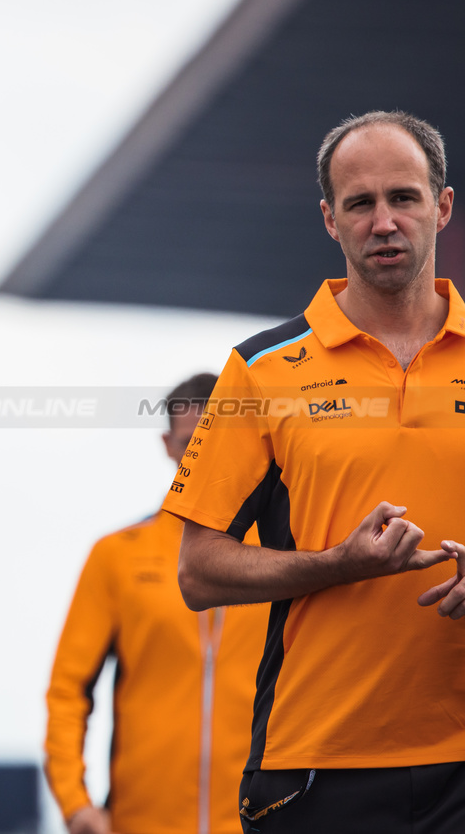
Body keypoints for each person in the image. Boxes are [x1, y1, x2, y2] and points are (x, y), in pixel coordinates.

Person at [164, 111, 465, 833]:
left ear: (443, 206)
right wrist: (339, 563)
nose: (384, 221)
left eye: (405, 197)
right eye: (360, 204)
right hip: (317, 768)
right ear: (331, 220)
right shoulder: (261, 369)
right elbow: (198, 573)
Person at [45, 374, 267, 834]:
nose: (206, 458)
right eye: (192, 444)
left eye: (218, 441)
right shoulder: (117, 555)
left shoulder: (287, 554)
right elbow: (68, 690)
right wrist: (75, 803)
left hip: (263, 820)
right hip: (141, 821)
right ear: (168, 445)